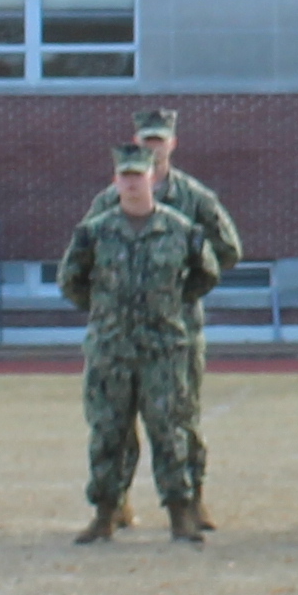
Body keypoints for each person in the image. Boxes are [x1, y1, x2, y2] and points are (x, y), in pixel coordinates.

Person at [61, 143, 230, 542]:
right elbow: (71, 280)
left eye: (139, 175)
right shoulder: (94, 233)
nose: (133, 183)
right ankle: (106, 512)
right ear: (115, 181)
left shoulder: (181, 230)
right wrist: (105, 312)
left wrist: (170, 303)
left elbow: (207, 274)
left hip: (163, 349)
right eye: (126, 176)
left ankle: (180, 513)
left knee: (170, 431)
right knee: (108, 432)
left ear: (153, 178)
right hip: (111, 350)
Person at [112, 111, 245, 535]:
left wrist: (186, 281)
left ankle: (192, 498)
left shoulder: (194, 198)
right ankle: (116, 500)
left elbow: (229, 249)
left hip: (178, 329)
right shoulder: (114, 196)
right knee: (117, 418)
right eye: (146, 140)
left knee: (181, 417)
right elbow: (85, 251)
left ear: (173, 143)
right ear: (136, 142)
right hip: (123, 330)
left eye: (160, 140)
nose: (153, 148)